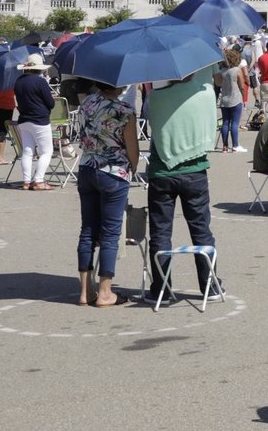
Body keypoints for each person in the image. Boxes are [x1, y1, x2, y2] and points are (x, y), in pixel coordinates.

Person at [144, 68, 219, 306]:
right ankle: (210, 286)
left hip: (162, 169)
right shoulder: (205, 93)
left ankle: (162, 290)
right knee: (201, 229)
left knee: (160, 232)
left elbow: (153, 127)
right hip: (194, 168)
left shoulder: (155, 97)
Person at [75, 81, 139, 307]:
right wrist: (134, 165)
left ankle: (85, 290)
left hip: (87, 166)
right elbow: (132, 146)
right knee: (111, 232)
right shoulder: (124, 110)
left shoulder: (87, 104)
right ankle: (105, 292)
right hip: (113, 171)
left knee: (88, 230)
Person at [14, 53, 56, 190]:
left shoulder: (19, 81)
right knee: (46, 151)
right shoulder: (40, 82)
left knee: (27, 151)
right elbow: (50, 103)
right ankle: (38, 180)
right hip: (39, 119)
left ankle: (26, 181)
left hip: (24, 119)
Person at [215, 49, 248, 153]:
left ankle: (225, 146)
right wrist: (243, 98)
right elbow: (242, 86)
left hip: (224, 99)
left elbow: (218, 84)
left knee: (225, 122)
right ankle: (235, 145)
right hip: (235, 98)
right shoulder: (236, 70)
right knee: (234, 123)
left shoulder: (222, 71)